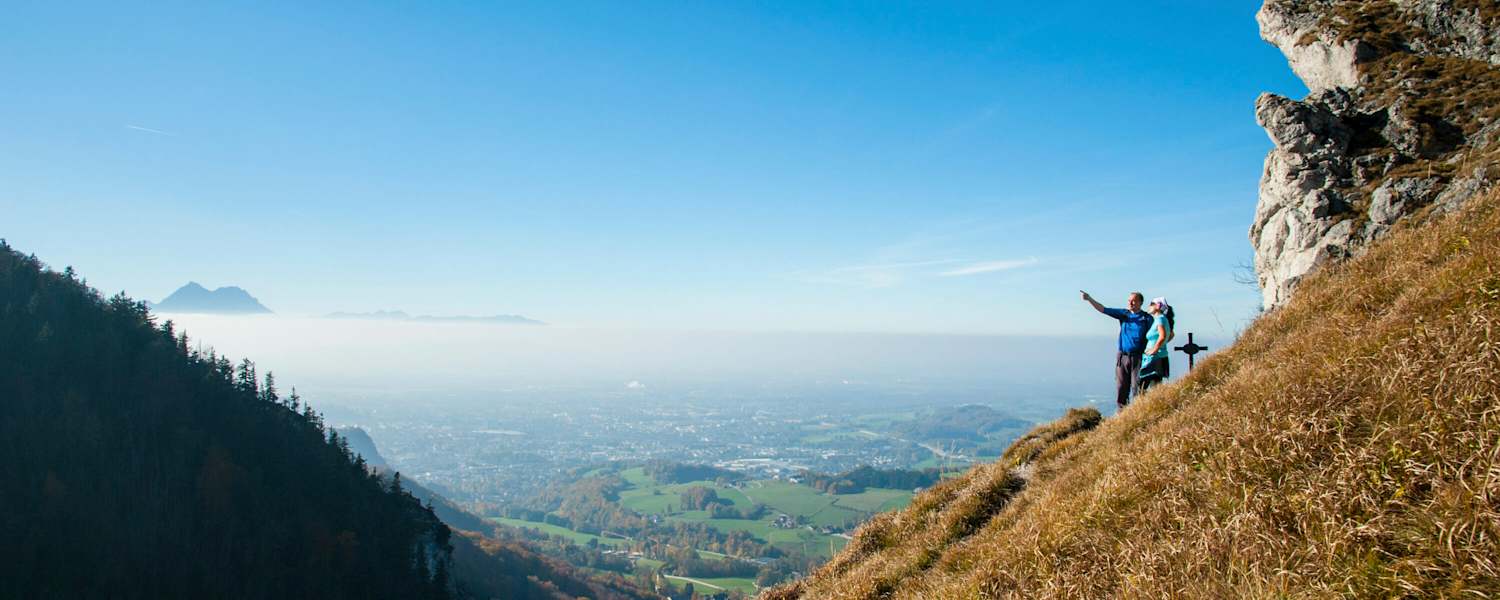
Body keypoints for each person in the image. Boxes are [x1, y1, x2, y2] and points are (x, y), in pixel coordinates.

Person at [1081, 290, 1153, 409]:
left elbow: (1155, 334)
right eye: (1129, 300)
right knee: (1121, 387)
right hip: (1123, 356)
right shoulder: (1124, 314)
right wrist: (1089, 299)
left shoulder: (1147, 318)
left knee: (1137, 387)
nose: (1130, 303)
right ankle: (1122, 414)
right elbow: (1103, 309)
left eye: (1133, 300)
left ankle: (1138, 411)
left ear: (1140, 302)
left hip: (1139, 357)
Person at [1138, 297, 1174, 393]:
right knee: (1156, 386)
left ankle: (1144, 407)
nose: (1149, 306)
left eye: (1151, 303)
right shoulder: (1163, 319)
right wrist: (1161, 346)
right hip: (1159, 356)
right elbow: (1171, 335)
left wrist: (1154, 349)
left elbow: (1163, 336)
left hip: (1154, 357)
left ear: (1158, 306)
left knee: (1142, 387)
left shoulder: (1160, 319)